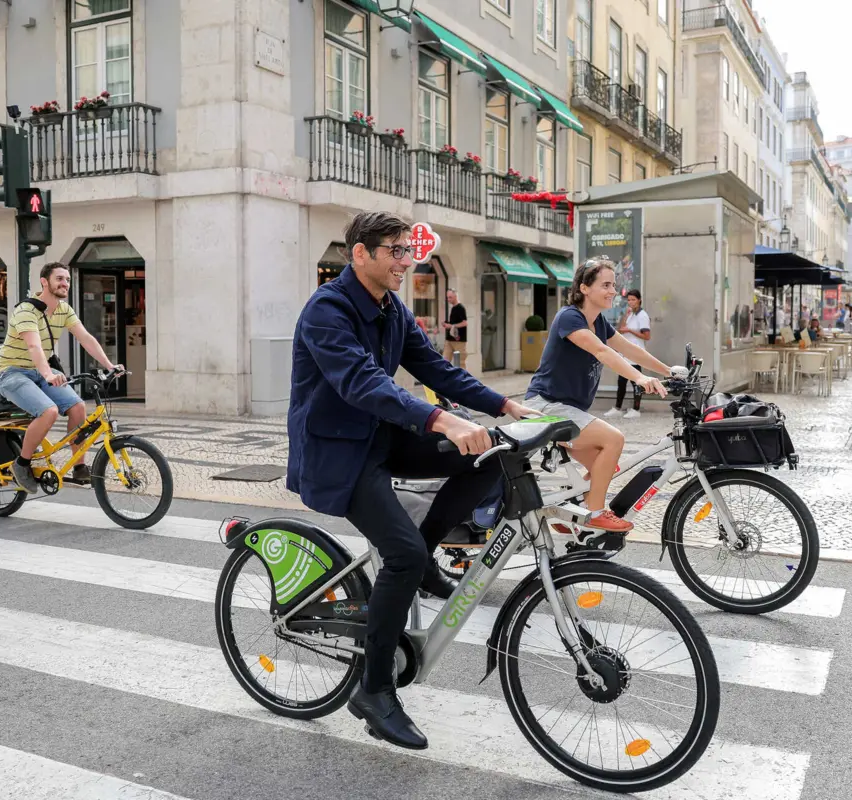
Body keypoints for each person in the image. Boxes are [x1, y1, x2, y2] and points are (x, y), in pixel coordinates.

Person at [286, 211, 535, 751]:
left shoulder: (392, 309)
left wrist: (504, 405)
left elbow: (435, 367)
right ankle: (374, 691)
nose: (407, 261)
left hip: (380, 437)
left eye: (408, 250)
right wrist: (442, 419)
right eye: (396, 251)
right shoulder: (327, 310)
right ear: (361, 254)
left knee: (488, 454)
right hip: (338, 455)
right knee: (399, 554)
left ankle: (421, 562)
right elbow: (360, 381)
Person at [524, 257, 673, 535]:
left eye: (613, 285)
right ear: (584, 288)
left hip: (566, 409)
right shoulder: (570, 317)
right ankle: (594, 513)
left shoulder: (599, 322)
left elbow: (631, 350)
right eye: (605, 285)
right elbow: (603, 352)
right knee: (613, 439)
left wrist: (668, 371)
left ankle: (571, 512)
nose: (612, 291)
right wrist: (639, 378)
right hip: (545, 406)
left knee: (603, 466)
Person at [0, 262, 121, 494]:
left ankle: (79, 466)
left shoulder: (64, 310)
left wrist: (110, 365)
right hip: (10, 372)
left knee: (78, 407)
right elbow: (33, 346)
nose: (65, 284)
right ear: (45, 282)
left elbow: (86, 338)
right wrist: (48, 374)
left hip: (40, 373)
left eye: (68, 280)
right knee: (48, 411)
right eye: (60, 279)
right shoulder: (25, 311)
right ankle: (21, 464)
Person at [606, 289, 651, 419]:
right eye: (629, 300)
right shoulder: (631, 314)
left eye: (633, 300)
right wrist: (625, 316)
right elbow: (621, 329)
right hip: (626, 354)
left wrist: (630, 330)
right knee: (621, 381)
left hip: (636, 354)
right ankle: (618, 408)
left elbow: (647, 336)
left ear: (639, 300)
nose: (630, 302)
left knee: (637, 383)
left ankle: (636, 409)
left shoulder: (642, 315)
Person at [440, 288, 468, 367]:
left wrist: (452, 326)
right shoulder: (453, 308)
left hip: (459, 340)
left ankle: (462, 379)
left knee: (460, 364)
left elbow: (465, 323)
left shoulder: (461, 308)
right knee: (444, 361)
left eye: (450, 297)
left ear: (455, 296)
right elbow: (453, 322)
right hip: (450, 339)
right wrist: (446, 324)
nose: (448, 299)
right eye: (447, 297)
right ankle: (445, 379)